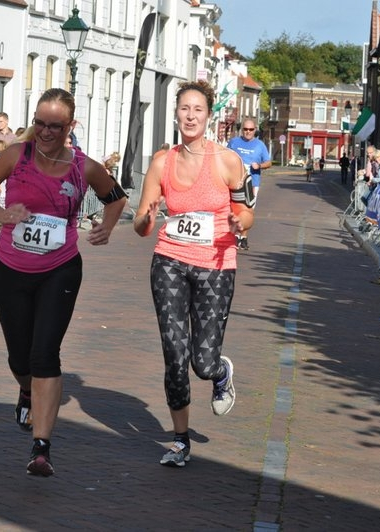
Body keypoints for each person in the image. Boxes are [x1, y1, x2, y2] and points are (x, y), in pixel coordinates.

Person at [0, 87, 127, 477]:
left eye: (54, 126)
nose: (45, 131)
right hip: (10, 270)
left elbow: (116, 197)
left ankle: (41, 447)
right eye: (39, 123)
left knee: (45, 355)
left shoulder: (84, 167)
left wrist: (106, 228)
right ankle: (26, 389)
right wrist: (3, 215)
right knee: (20, 359)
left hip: (60, 269)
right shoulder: (15, 156)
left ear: (70, 126)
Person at [133, 79, 253, 468]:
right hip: (169, 259)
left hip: (216, 264)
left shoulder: (227, 161)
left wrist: (239, 223)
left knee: (201, 362)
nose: (190, 116)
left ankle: (220, 372)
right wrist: (147, 219)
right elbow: (141, 223)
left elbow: (247, 212)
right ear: (176, 113)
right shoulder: (161, 163)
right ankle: (180, 440)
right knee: (174, 353)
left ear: (208, 115)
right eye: (184, 108)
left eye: (197, 109)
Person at [227, 118, 270, 250]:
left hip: (252, 183)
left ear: (255, 130)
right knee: (234, 209)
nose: (248, 132)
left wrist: (259, 166)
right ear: (242, 130)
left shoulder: (260, 145)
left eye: (251, 129)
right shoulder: (234, 142)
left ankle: (243, 238)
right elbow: (224, 157)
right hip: (235, 182)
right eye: (245, 129)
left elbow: (268, 162)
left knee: (248, 210)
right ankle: (234, 236)